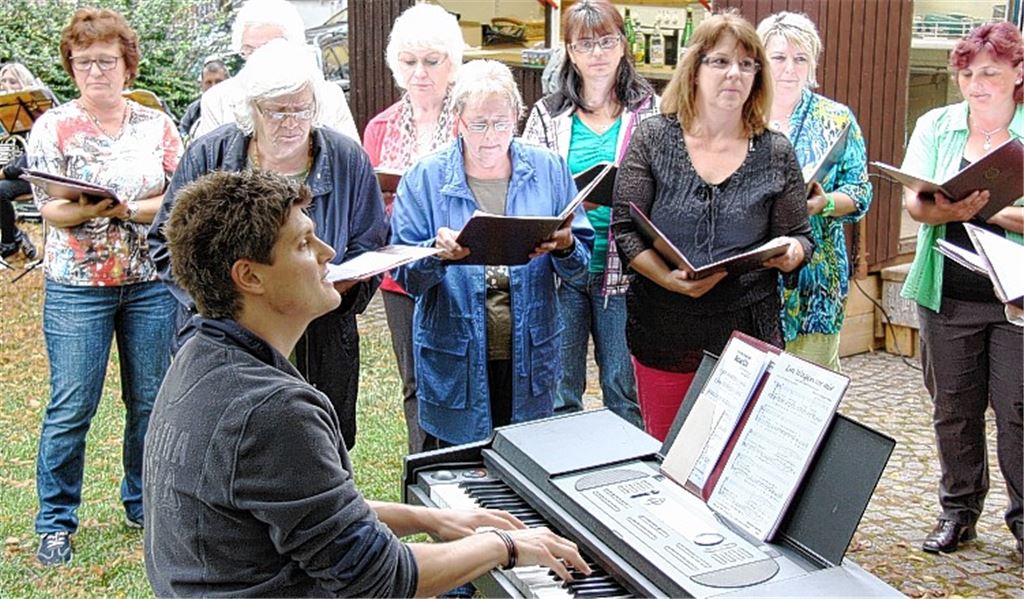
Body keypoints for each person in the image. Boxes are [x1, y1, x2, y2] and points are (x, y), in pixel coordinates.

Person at [145, 168, 590, 597]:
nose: (327, 252)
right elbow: (380, 580)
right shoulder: (271, 410)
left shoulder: (200, 356)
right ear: (250, 276)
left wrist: (431, 519)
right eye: (303, 243)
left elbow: (311, 513)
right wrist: (502, 546)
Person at [148, 39, 385, 451]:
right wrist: (233, 303)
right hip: (224, 343)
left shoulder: (347, 158)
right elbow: (167, 246)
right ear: (251, 109)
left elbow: (370, 246)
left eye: (302, 109)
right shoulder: (211, 154)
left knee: (316, 455)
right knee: (226, 453)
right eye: (278, 111)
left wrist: (332, 287)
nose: (291, 122)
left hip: (320, 346)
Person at [611, 11, 813, 442]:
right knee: (667, 453)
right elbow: (626, 227)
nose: (734, 74)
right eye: (720, 62)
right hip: (664, 327)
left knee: (736, 459)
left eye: (746, 64)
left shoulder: (775, 150)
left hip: (748, 331)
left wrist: (792, 252)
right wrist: (669, 279)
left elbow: (800, 237)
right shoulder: (652, 137)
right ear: (695, 69)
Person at [27, 8, 182, 566]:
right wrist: (88, 207)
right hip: (77, 286)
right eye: (84, 61)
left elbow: (178, 194)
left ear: (126, 66)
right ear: (72, 68)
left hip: (148, 283)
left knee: (150, 400)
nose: (96, 71)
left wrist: (127, 208)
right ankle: (55, 520)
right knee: (72, 406)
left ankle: (143, 503)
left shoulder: (156, 125)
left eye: (107, 61)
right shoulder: (54, 126)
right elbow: (48, 209)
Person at [392, 60, 594, 448]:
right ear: (458, 121)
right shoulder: (425, 177)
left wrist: (566, 246)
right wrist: (436, 253)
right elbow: (404, 276)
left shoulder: (549, 170)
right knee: (458, 469)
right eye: (478, 124)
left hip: (529, 353)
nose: (490, 137)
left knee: (524, 463)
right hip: (456, 354)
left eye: (501, 123)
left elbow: (582, 270)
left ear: (517, 118)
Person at [900, 21, 1023, 555]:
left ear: (1018, 73)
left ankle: (1023, 523)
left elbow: (941, 205)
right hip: (948, 293)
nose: (976, 85)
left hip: (1017, 297)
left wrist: (971, 209)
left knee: (1019, 412)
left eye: (990, 73)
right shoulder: (938, 124)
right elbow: (916, 201)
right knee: (953, 409)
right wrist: (942, 208)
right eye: (967, 74)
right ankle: (958, 512)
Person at [522, 0, 658, 428]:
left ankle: (629, 477)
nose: (597, 53)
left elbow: (666, 178)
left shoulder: (648, 110)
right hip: (563, 268)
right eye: (585, 44)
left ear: (623, 45)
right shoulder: (549, 113)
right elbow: (528, 181)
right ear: (569, 52)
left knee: (623, 386)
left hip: (627, 267)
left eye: (606, 40)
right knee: (561, 389)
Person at [362, 3, 463, 454]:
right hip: (401, 270)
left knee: (464, 371)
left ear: (452, 63)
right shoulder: (379, 127)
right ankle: (424, 471)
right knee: (414, 379)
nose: (420, 73)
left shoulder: (469, 118)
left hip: (463, 264)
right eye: (409, 62)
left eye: (431, 60)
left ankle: (469, 468)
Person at [756, 12, 872, 371]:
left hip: (815, 279)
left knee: (809, 393)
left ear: (813, 64)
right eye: (778, 58)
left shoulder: (836, 119)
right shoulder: (740, 114)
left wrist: (823, 204)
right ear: (760, 60)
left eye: (800, 58)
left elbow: (860, 191)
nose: (789, 69)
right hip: (751, 277)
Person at [191, 0, 359, 142]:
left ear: (294, 48)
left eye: (268, 49)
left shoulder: (328, 96)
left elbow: (351, 165)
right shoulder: (218, 99)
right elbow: (207, 167)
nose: (257, 59)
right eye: (249, 50)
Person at [0, 63, 41, 261]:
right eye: (3, 81)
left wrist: (4, 172)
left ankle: (9, 240)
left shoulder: (36, 112)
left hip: (33, 174)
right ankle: (16, 235)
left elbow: (32, 156)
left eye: (13, 81)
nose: (6, 86)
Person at [176, 58, 229, 140]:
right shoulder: (195, 109)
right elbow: (182, 132)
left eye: (218, 82)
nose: (213, 87)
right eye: (208, 83)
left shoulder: (237, 107)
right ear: (202, 85)